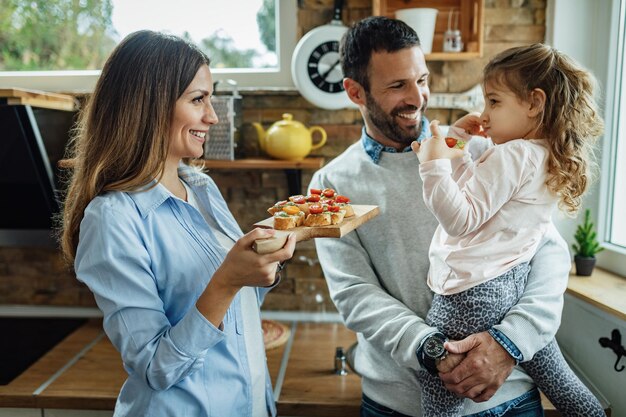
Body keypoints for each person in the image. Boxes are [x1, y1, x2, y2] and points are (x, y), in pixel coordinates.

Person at [309, 16, 573, 417]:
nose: (418, 97)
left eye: (422, 79)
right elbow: (354, 293)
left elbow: (547, 252)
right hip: (399, 403)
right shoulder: (331, 183)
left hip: (511, 393)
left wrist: (509, 343)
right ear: (355, 92)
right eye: (398, 86)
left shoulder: (481, 148)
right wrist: (433, 350)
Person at [59, 30, 295, 417]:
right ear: (149, 106)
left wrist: (267, 261)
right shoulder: (113, 218)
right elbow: (154, 367)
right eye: (198, 99)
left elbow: (236, 308)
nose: (213, 116)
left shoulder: (200, 186)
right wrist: (228, 280)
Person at [412, 44, 605, 416]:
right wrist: (459, 145)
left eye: (494, 102)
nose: (485, 115)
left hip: (469, 297)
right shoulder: (547, 156)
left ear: (534, 103)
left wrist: (433, 165)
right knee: (563, 385)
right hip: (512, 289)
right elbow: (481, 201)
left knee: (438, 390)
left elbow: (461, 219)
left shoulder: (511, 155)